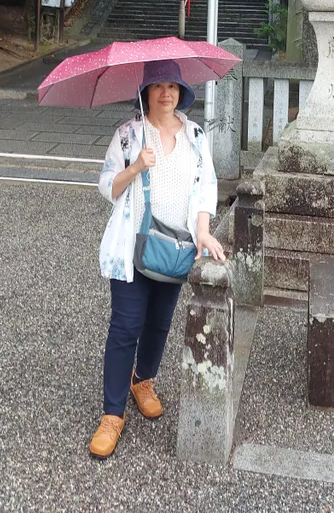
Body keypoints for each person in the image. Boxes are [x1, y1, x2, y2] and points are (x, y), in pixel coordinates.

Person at [89, 58, 226, 460]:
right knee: (125, 327)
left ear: (182, 91)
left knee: (160, 323)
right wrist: (135, 167)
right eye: (157, 85)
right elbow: (107, 187)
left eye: (172, 85)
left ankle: (143, 380)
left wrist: (203, 232)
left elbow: (206, 187)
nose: (166, 92)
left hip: (177, 247)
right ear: (145, 91)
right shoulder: (129, 135)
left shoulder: (196, 135)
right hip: (133, 246)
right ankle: (112, 414)